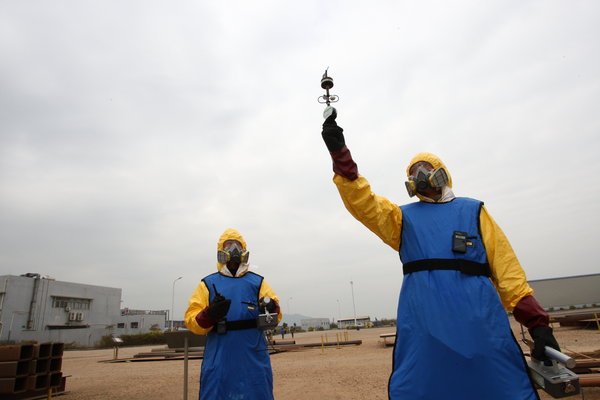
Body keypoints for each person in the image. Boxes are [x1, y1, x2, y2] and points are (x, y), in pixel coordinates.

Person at [320, 107, 560, 400]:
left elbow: (507, 271)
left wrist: (538, 325)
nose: (419, 174)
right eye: (412, 172)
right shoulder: (401, 219)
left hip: (480, 325)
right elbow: (363, 202)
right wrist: (340, 155)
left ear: (441, 173)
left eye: (424, 168)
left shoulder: (474, 211)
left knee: (498, 386)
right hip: (425, 329)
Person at [185, 228, 282, 400]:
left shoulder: (258, 282)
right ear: (220, 250)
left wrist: (270, 308)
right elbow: (192, 320)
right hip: (220, 357)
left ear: (244, 249)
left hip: (253, 357)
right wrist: (208, 314)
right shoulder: (207, 284)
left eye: (237, 245)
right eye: (228, 245)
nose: (233, 249)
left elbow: (275, 313)